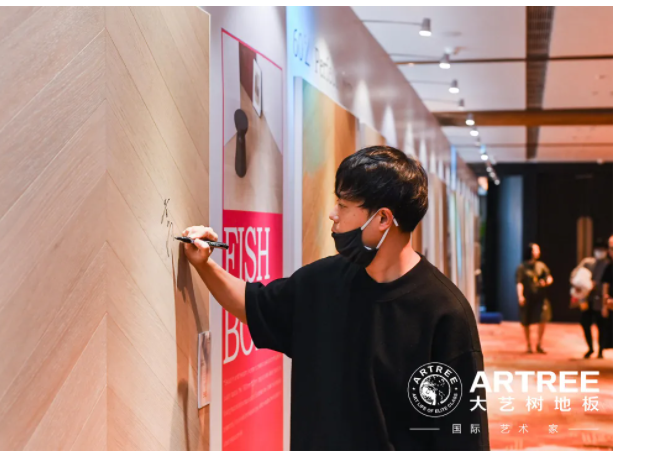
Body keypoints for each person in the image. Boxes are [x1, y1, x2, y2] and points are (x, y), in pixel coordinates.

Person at [182, 146, 489, 450]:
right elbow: (254, 305)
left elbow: (464, 437)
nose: (333, 214)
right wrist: (204, 264)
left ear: (383, 219)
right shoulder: (321, 281)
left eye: (343, 204)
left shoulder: (445, 313)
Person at [570, 239, 611, 358]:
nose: (600, 252)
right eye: (598, 249)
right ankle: (590, 348)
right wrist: (579, 285)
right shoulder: (587, 262)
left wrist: (596, 286)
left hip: (600, 301)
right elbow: (574, 276)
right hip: (586, 299)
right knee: (585, 323)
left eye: (602, 250)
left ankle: (600, 350)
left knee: (601, 326)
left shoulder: (608, 265)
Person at [516, 243, 553, 354]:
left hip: (540, 297)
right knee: (526, 320)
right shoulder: (522, 267)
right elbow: (519, 283)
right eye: (536, 250)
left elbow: (549, 277)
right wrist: (520, 296)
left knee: (543, 318)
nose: (538, 252)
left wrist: (546, 282)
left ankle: (539, 343)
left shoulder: (541, 265)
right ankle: (528, 344)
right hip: (528, 297)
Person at [600, 235, 614, 352]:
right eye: (610, 248)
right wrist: (605, 306)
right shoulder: (610, 266)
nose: (610, 252)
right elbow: (606, 286)